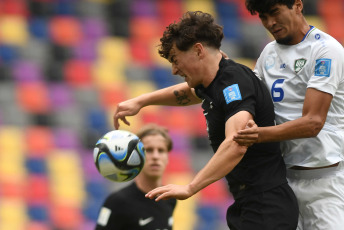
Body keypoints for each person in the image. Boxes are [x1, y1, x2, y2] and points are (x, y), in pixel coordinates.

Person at [114, 11, 298, 230]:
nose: (174, 69)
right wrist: (141, 101)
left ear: (198, 50)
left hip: (266, 207)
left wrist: (191, 187)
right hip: (251, 203)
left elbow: (237, 143)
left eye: (175, 59)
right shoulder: (217, 82)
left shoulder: (233, 83)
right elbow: (188, 93)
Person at [233, 0, 344, 229]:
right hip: (283, 182)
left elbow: (312, 123)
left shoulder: (326, 51)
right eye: (263, 17)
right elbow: (249, 94)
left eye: (274, 13)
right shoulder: (268, 52)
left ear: (297, 5)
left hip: (326, 182)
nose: (270, 23)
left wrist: (258, 135)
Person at [95, 124, 177, 230]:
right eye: (148, 150)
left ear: (167, 157)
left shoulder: (169, 199)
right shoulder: (118, 202)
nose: (155, 156)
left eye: (161, 150)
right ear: (136, 156)